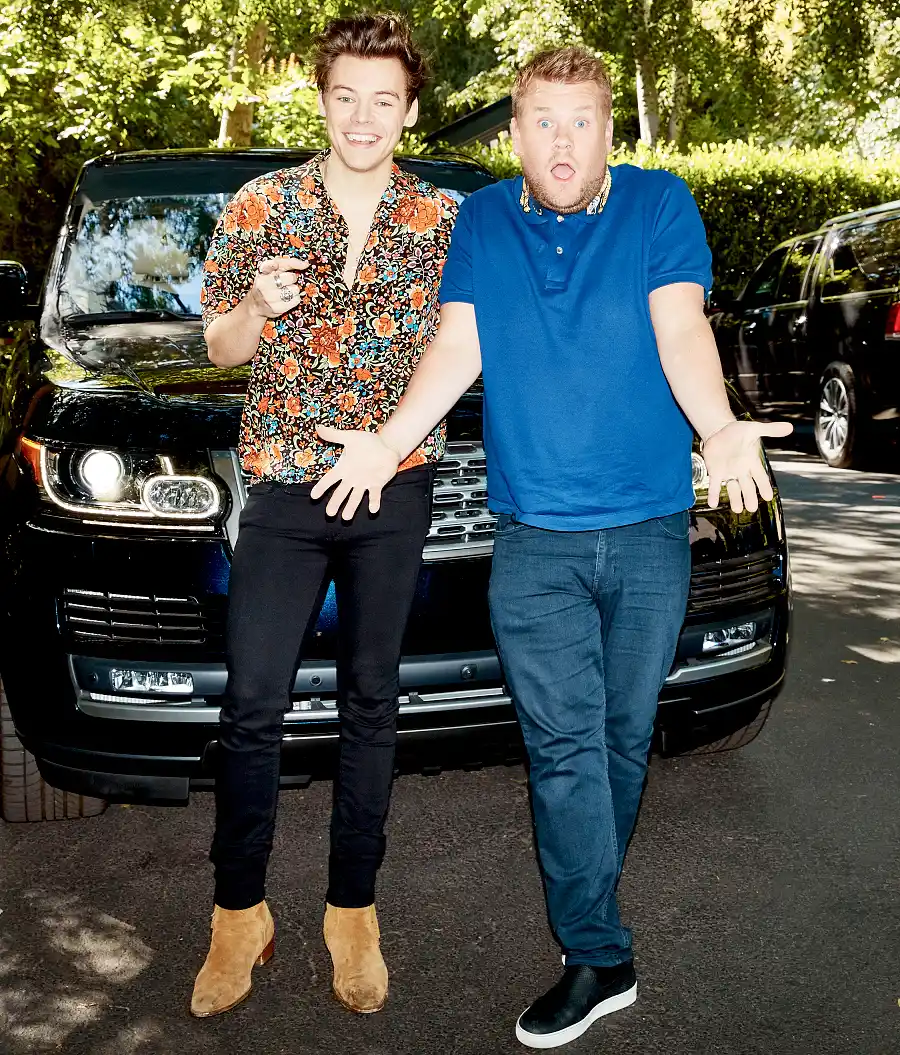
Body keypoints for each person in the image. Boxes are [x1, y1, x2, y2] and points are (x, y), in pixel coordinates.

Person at [308, 46, 792, 1049]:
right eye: (543, 121)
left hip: (652, 529)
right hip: (536, 545)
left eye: (582, 121)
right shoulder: (483, 221)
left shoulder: (660, 206)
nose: (562, 140)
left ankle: (592, 916)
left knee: (620, 740)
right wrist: (392, 441)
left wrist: (720, 423)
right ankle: (597, 950)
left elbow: (681, 330)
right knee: (565, 749)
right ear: (516, 133)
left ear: (609, 130)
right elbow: (456, 346)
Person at [190, 13, 457, 1019]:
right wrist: (255, 307)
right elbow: (219, 346)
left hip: (393, 485)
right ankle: (238, 913)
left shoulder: (443, 219)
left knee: (372, 704)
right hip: (286, 486)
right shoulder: (261, 204)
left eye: (382, 98)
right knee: (252, 707)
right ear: (322, 98)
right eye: (345, 95)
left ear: (409, 108)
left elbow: (469, 342)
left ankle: (353, 908)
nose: (362, 115)